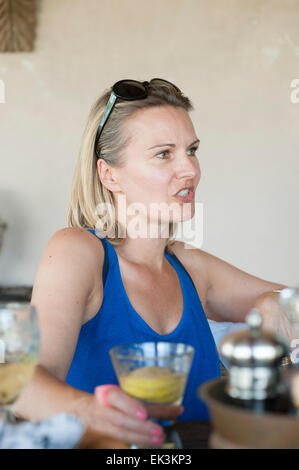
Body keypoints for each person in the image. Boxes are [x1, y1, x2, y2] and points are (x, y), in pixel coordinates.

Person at [14, 78, 286, 447]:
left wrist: (273, 302)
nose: (190, 169)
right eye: (164, 154)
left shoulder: (191, 266)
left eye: (192, 150)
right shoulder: (78, 252)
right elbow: (26, 384)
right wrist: (92, 411)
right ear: (109, 174)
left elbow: (289, 300)